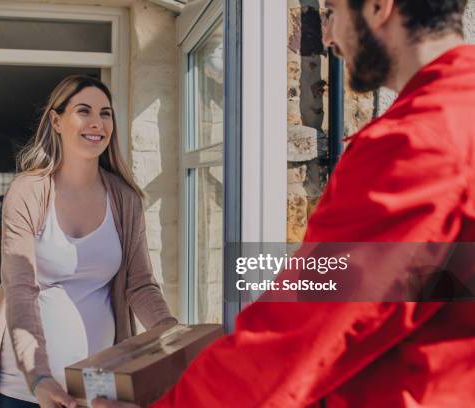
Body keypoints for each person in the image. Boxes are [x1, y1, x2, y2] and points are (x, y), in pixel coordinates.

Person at [94, 0, 475, 406]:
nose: (326, 36)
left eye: (331, 12)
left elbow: (301, 335)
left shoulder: (416, 142)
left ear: (379, 7)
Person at [0, 75, 177, 408]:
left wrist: (171, 334)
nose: (97, 122)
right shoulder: (28, 192)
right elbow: (20, 290)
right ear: (56, 120)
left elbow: (140, 285)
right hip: (27, 388)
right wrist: (39, 377)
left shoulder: (125, 199)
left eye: (105, 113)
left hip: (96, 387)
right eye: (84, 111)